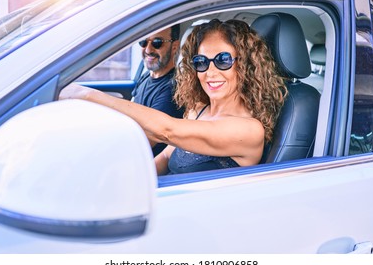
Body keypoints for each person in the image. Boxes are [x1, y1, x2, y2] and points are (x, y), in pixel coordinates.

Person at [60, 19, 287, 175]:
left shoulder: (249, 131)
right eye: (201, 62)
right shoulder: (197, 109)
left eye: (223, 60)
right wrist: (124, 180)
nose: (210, 72)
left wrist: (86, 94)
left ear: (245, 65)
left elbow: (166, 131)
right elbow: (166, 157)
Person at [132, 25, 184, 156]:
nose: (148, 49)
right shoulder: (146, 76)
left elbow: (143, 143)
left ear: (174, 46)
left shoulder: (173, 89)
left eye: (157, 43)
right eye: (143, 42)